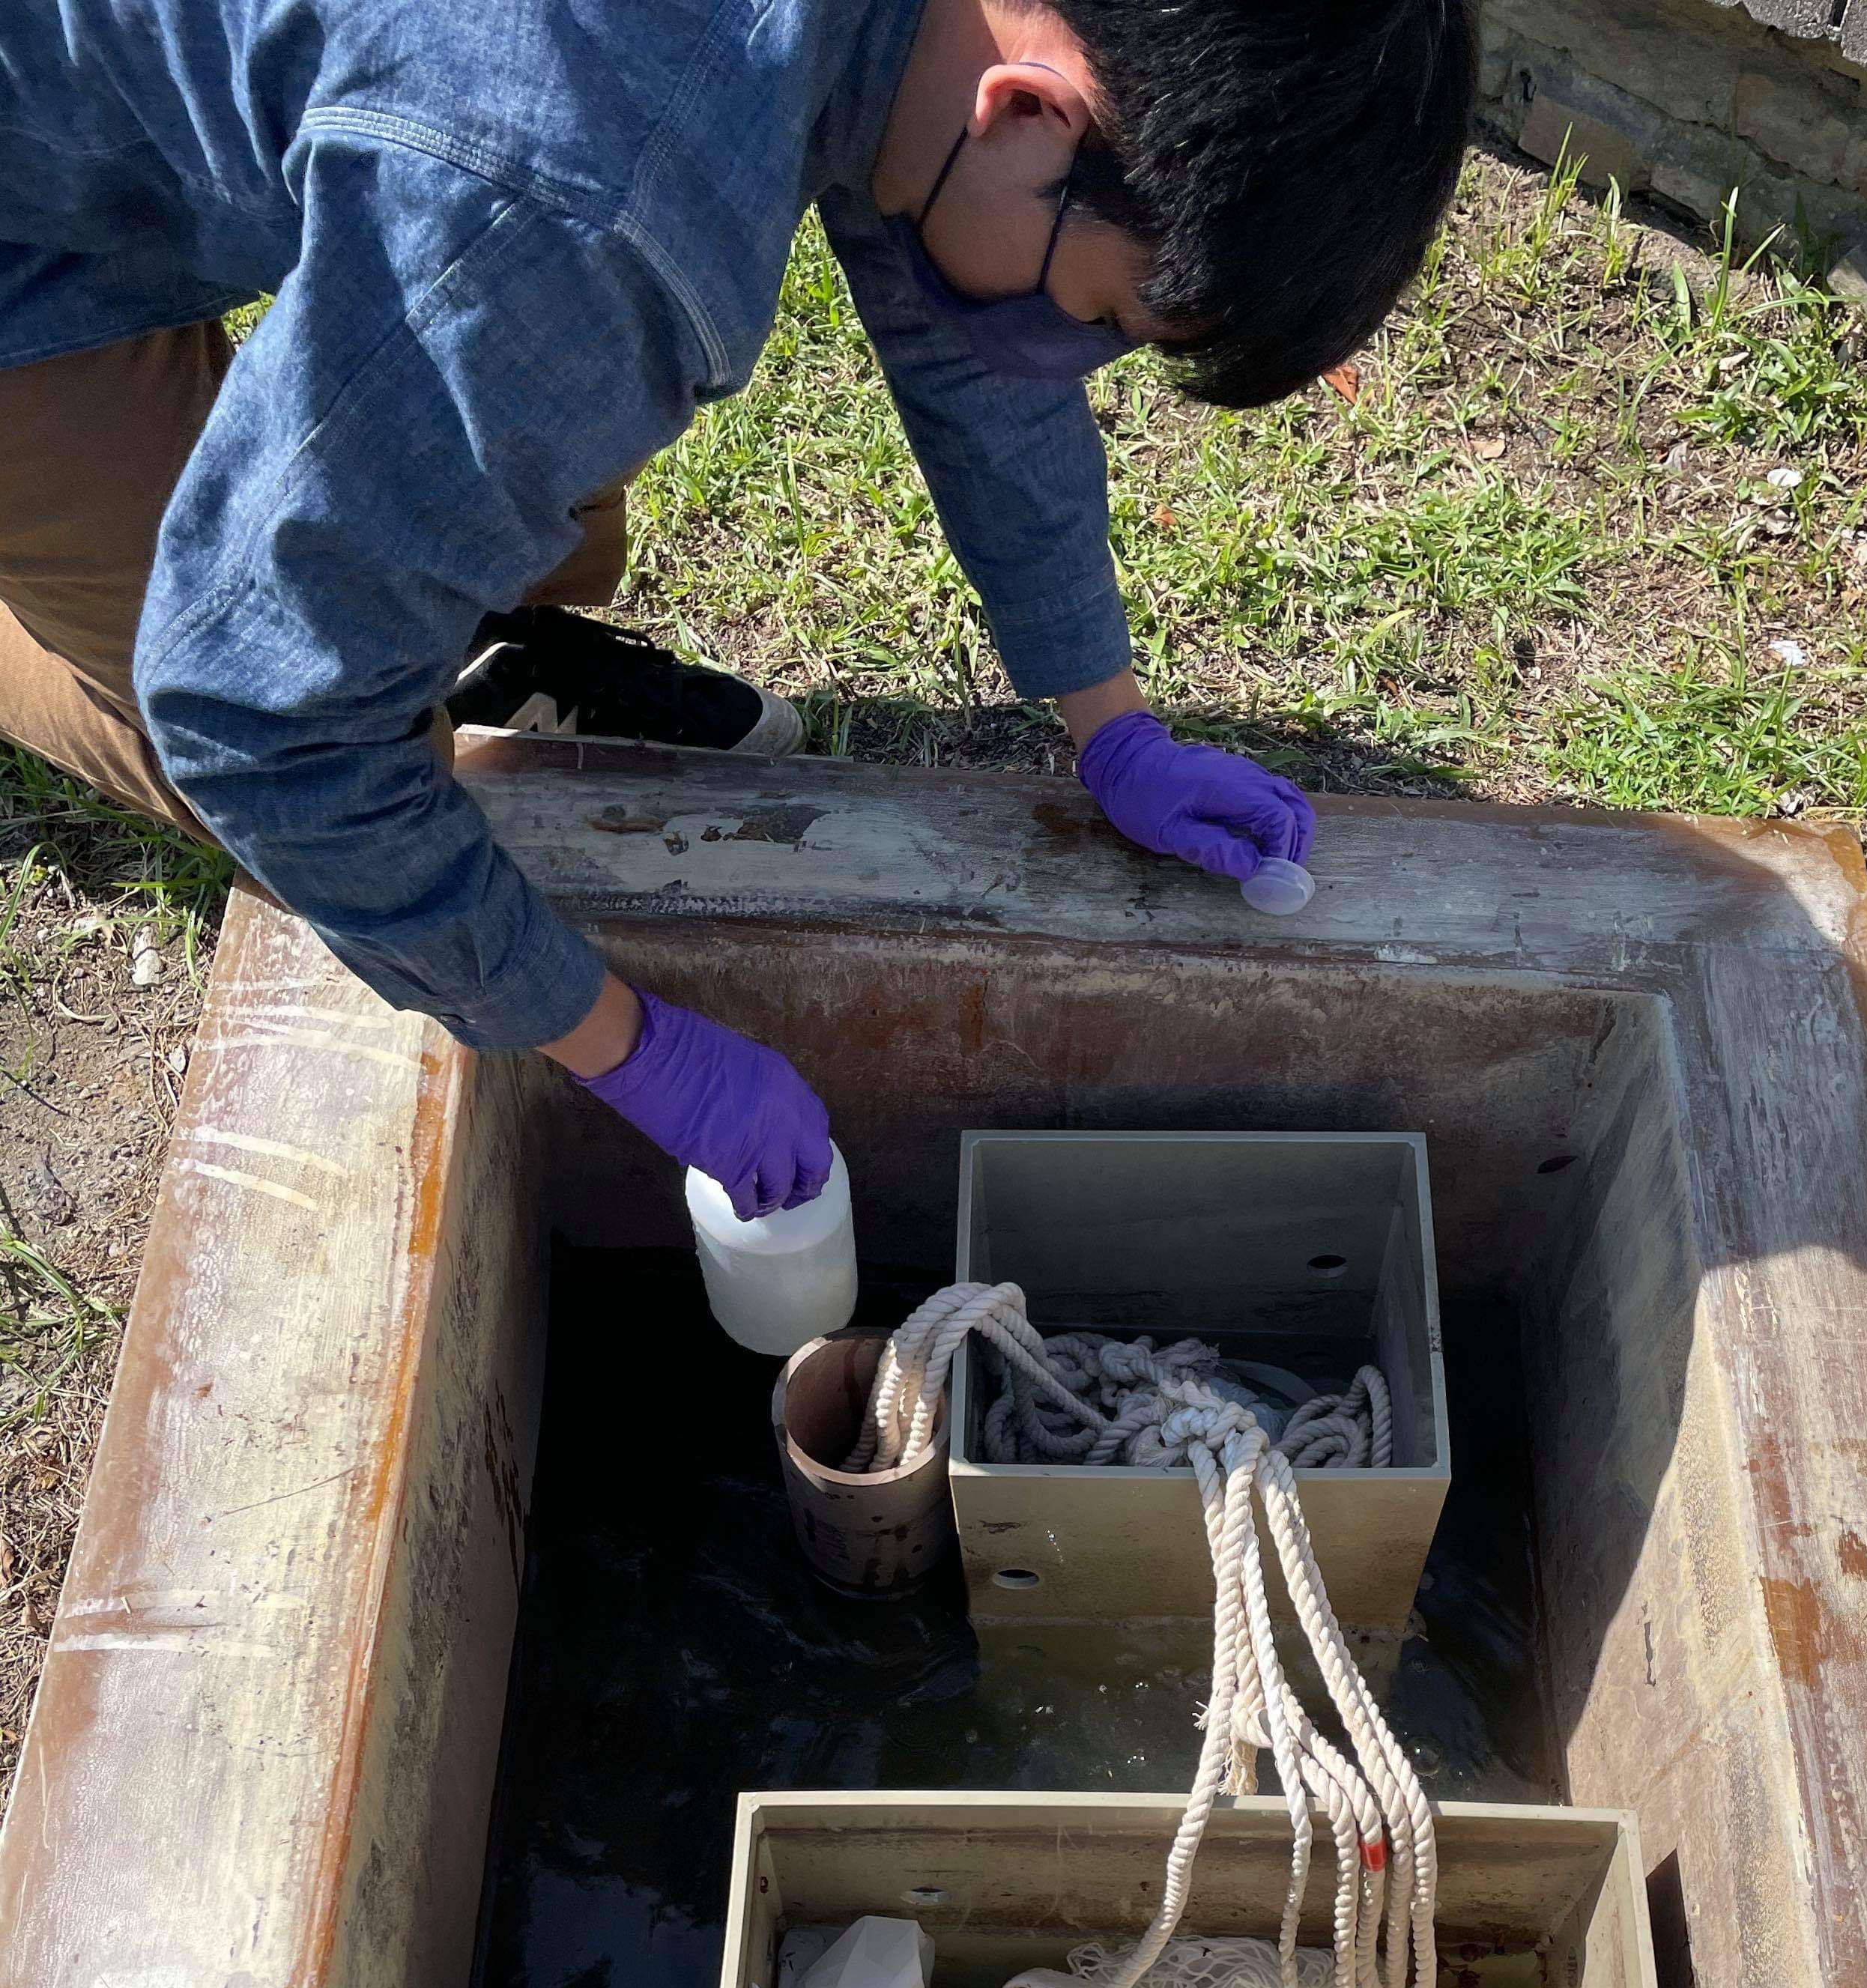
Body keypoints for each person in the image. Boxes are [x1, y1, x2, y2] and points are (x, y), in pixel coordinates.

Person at [0, 0, 1475, 1216]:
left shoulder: (952, 66)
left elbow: (959, 316)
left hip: (167, 114)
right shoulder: (586, 214)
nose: (1066, 353)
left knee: (508, 461)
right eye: (1098, 318)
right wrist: (627, 1046)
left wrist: (1109, 716)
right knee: (303, 756)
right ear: (1031, 113)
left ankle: (400, 574)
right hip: (34, 227)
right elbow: (254, 717)